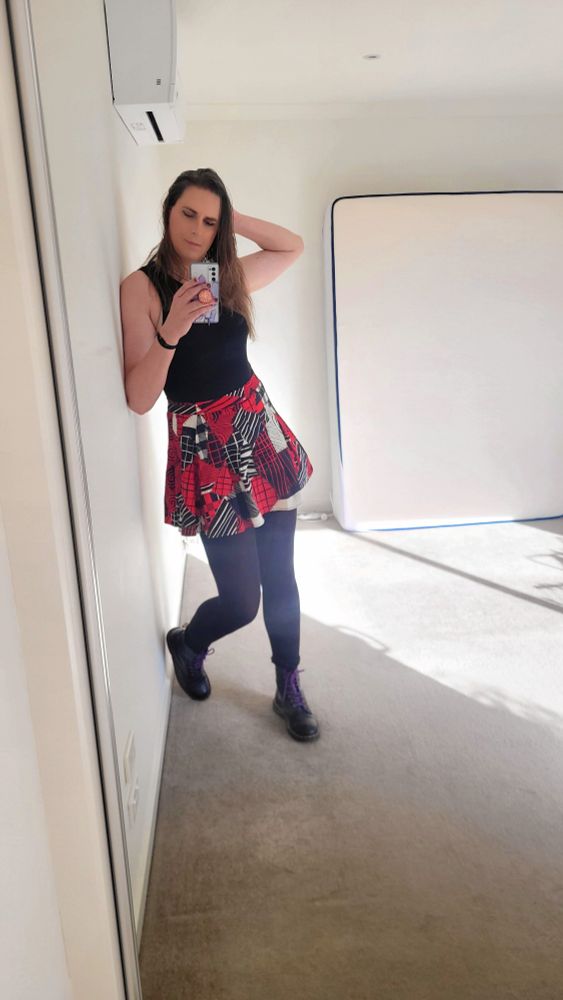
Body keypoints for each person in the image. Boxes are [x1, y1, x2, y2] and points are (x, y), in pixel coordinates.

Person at [120, 168, 319, 742]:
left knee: (281, 579)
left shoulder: (224, 277)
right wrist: (172, 328)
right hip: (204, 448)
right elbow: (139, 398)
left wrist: (233, 222)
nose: (197, 230)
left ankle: (288, 685)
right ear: (168, 211)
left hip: (257, 431)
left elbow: (291, 246)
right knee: (240, 600)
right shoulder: (141, 289)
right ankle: (189, 643)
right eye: (189, 214)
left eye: (210, 221)